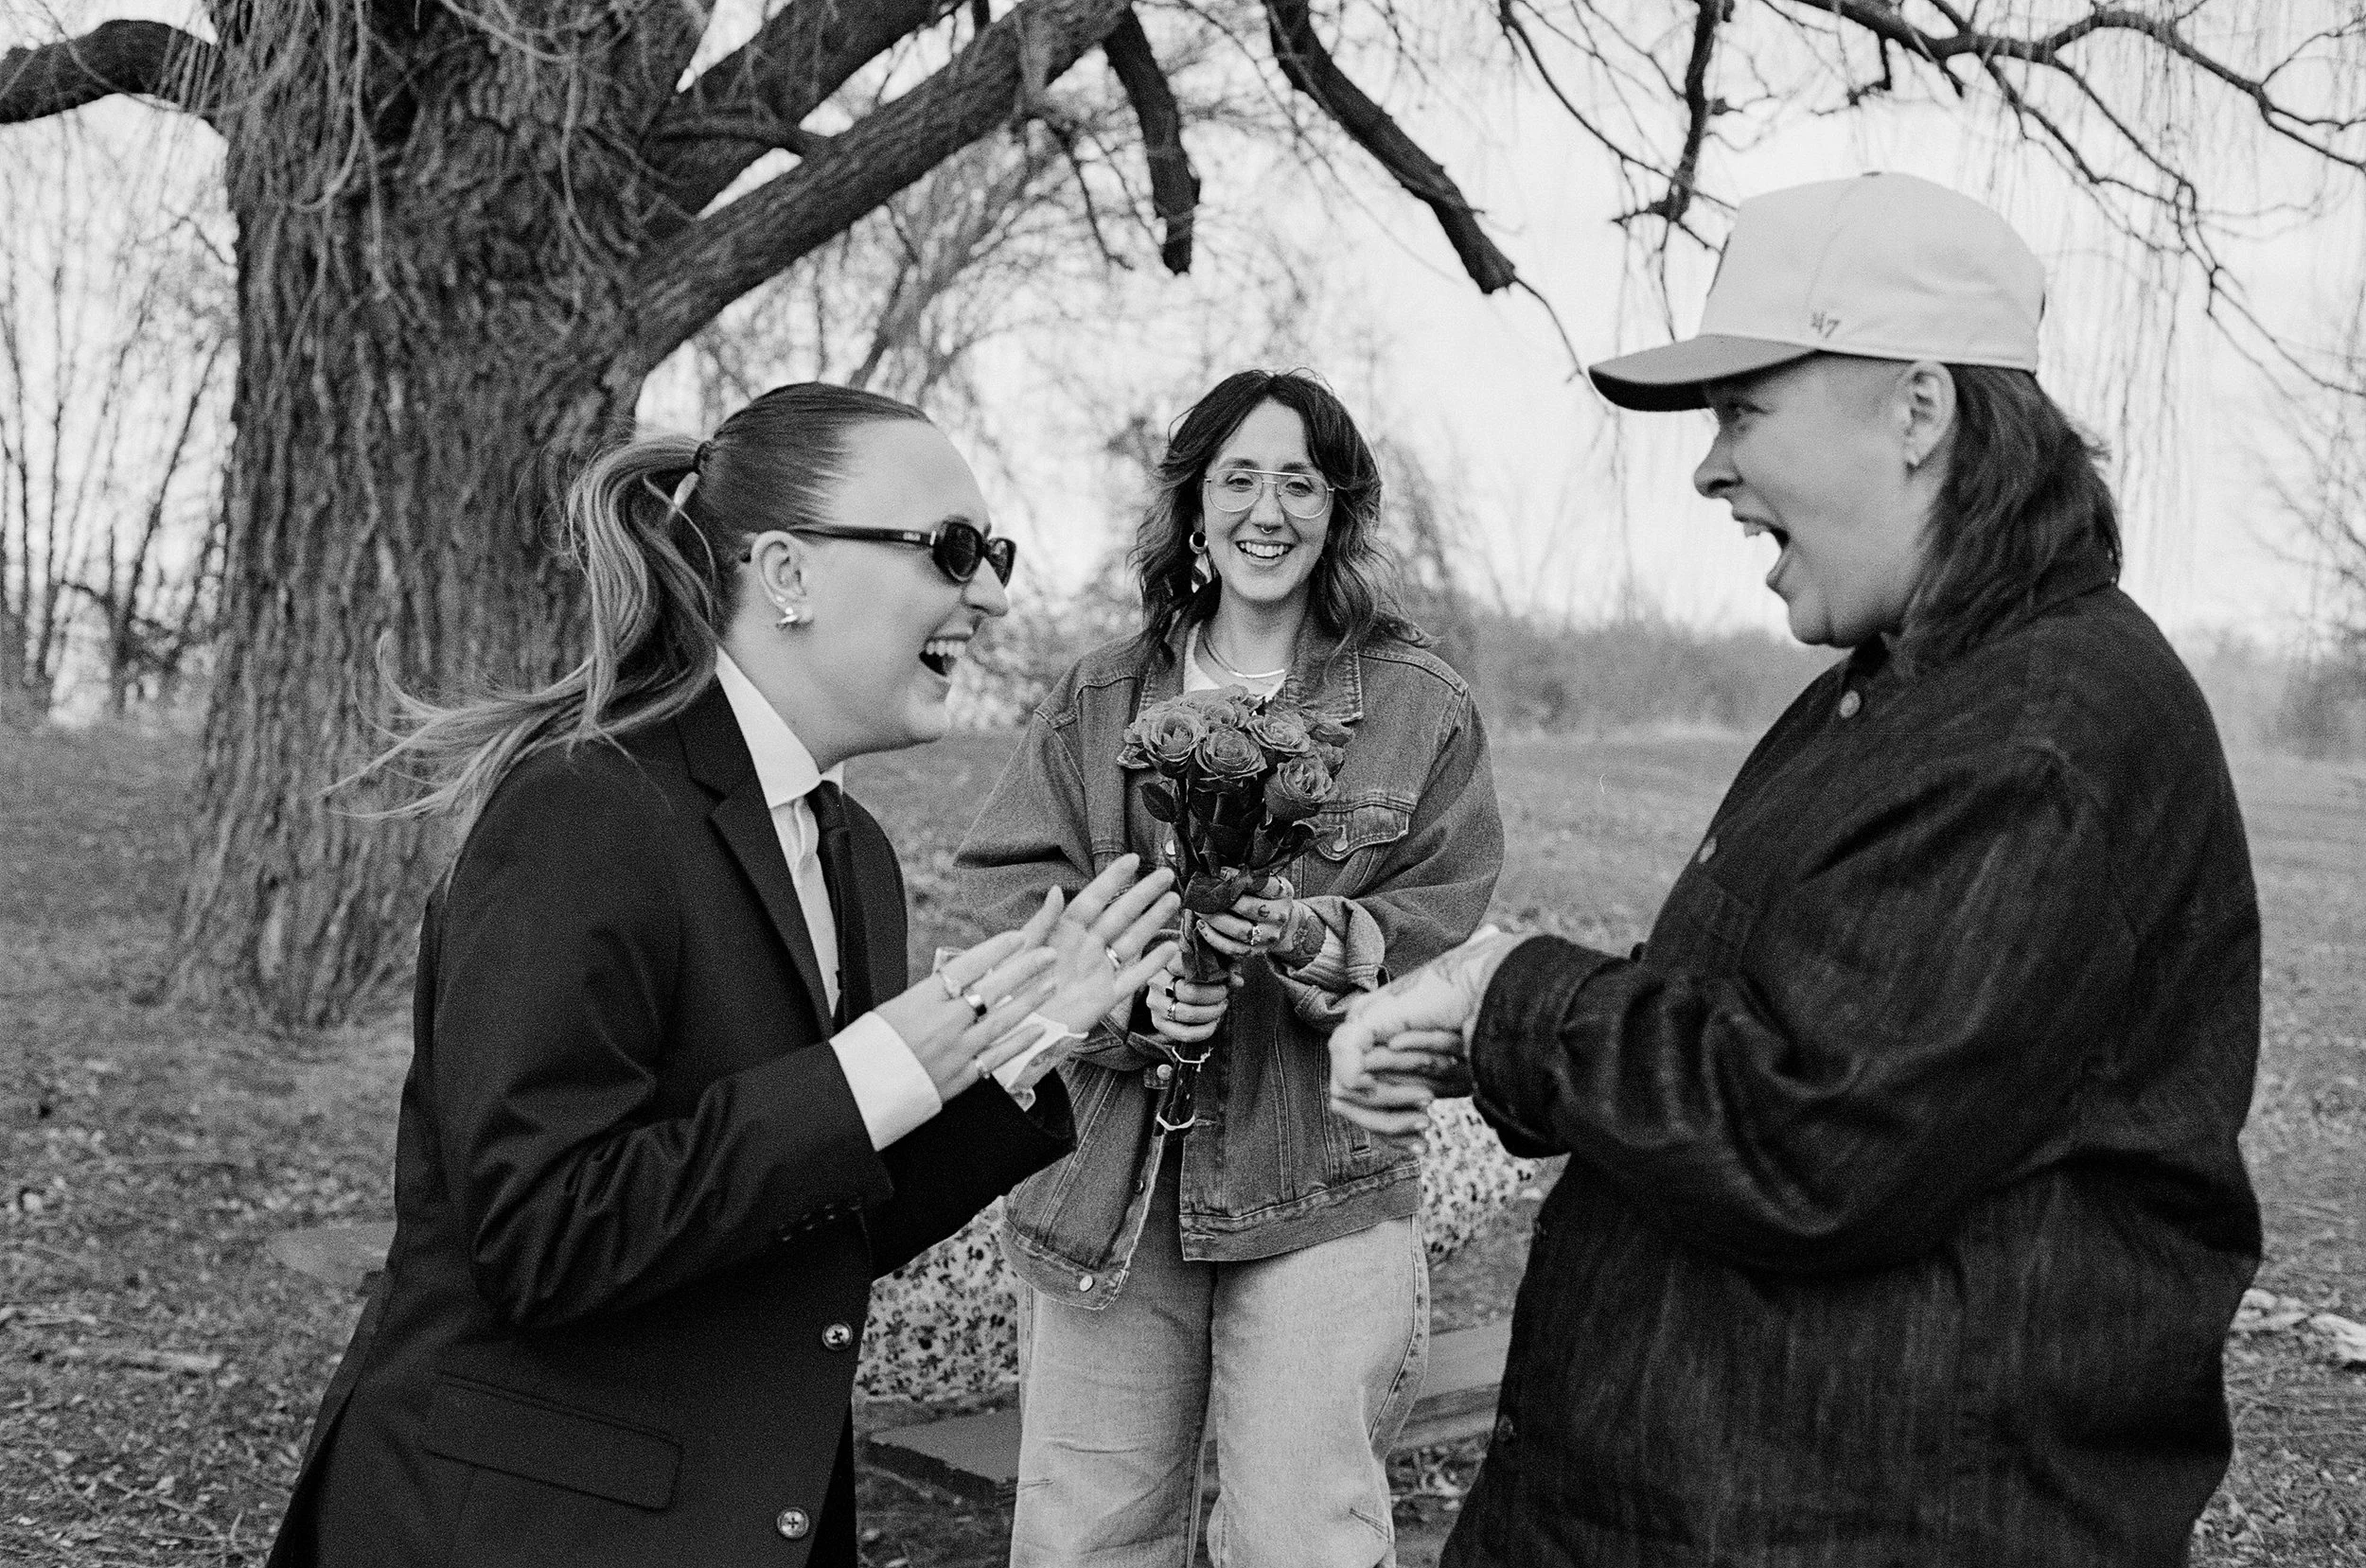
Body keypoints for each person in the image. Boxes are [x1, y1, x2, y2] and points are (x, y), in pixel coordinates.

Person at [1329, 174, 2262, 1566]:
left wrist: (1511, 998)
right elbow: (1783, 1021)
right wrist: (1489, 1024)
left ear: (1920, 410)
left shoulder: (2034, 735)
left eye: (1744, 409)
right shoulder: (1909, 684)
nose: (1709, 467)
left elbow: (1808, 1135)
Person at [264, 382, 1181, 1568]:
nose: (992, 592)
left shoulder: (851, 854)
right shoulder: (585, 809)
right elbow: (542, 1235)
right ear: (787, 575)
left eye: (993, 551)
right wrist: (883, 1067)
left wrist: (1021, 1047)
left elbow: (808, 1214)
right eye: (951, 549)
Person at [956, 369, 1504, 1566]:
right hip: (1110, 1182)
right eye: (1238, 478)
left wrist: (1321, 940)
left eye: (1299, 482)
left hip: (1323, 1176)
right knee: (1084, 1544)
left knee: (1299, 1540)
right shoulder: (1101, 697)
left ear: (1337, 509)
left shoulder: (1420, 707)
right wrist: (1131, 995)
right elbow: (1004, 898)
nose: (1268, 510)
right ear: (1194, 506)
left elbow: (1452, 935)